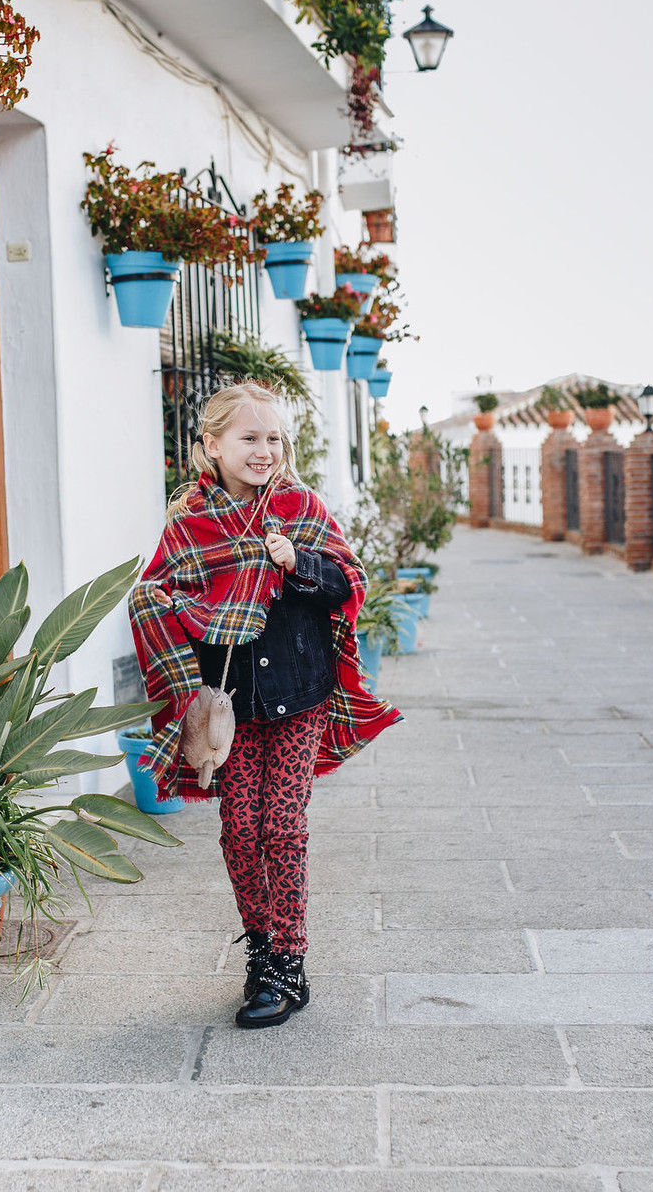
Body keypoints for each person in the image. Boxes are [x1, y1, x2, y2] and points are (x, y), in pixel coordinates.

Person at [129, 381, 400, 1028]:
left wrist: (297, 561)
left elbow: (346, 582)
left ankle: (290, 964)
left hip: (300, 694)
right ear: (212, 446)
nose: (264, 450)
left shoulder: (301, 507)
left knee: (283, 827)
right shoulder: (191, 524)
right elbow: (155, 597)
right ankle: (261, 947)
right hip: (234, 705)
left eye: (273, 438)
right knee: (238, 830)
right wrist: (205, 610)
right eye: (249, 438)